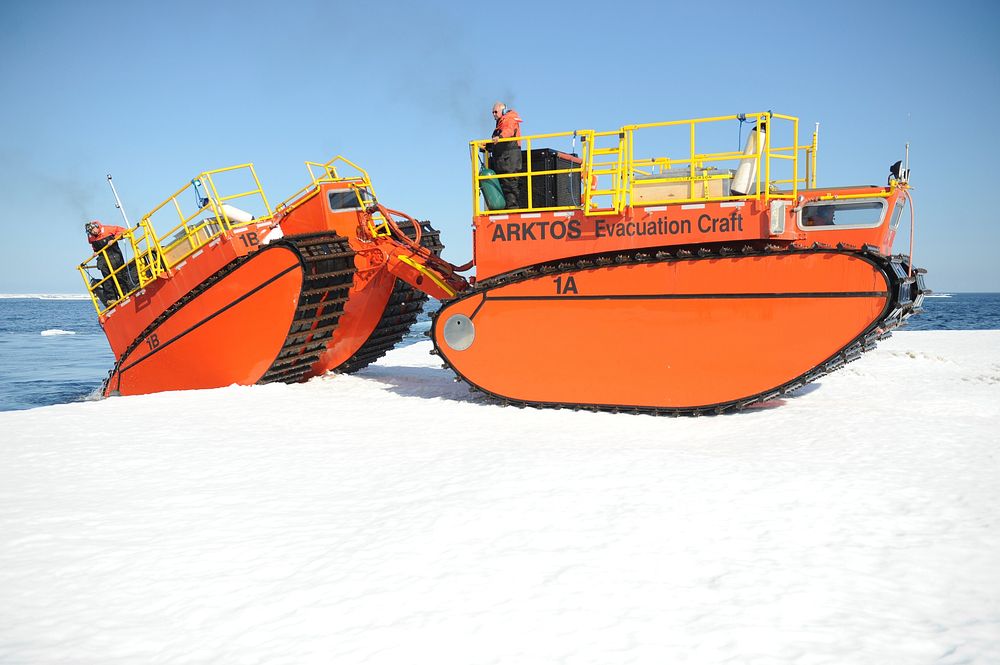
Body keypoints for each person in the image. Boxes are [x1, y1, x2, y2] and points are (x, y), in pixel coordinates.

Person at [486, 102, 524, 209]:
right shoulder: (500, 123)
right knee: (502, 184)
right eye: (492, 112)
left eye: (495, 112)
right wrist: (486, 145)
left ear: (503, 110)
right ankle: (506, 208)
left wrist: (501, 137)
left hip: (509, 159)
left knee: (510, 183)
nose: (494, 114)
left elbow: (509, 130)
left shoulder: (509, 119)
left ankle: (513, 209)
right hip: (502, 159)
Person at [85, 220, 132, 303]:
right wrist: (95, 252)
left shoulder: (108, 229)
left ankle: (126, 294)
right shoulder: (91, 238)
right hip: (103, 258)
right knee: (107, 278)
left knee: (120, 275)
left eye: (93, 229)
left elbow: (124, 230)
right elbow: (94, 246)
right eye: (91, 231)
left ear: (96, 226)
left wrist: (114, 239)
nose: (93, 232)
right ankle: (112, 298)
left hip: (114, 255)